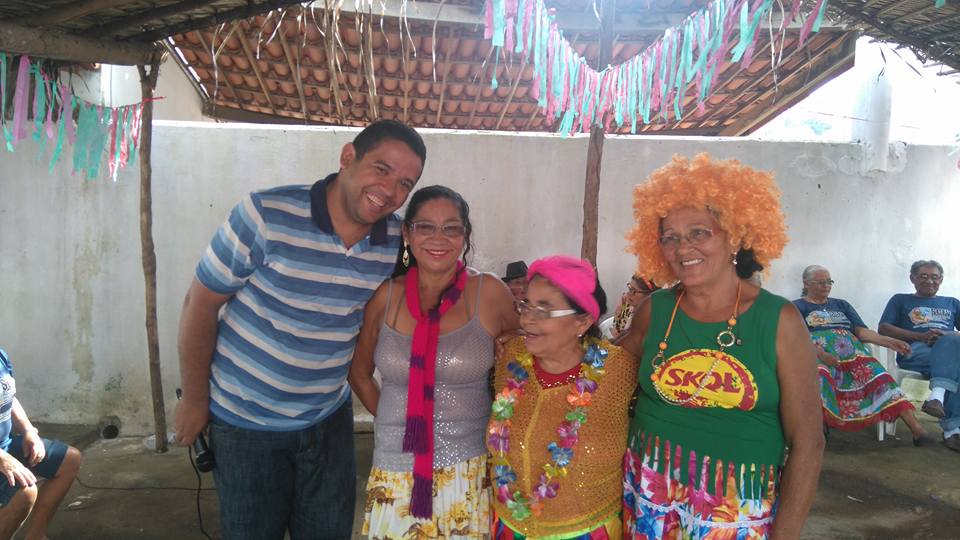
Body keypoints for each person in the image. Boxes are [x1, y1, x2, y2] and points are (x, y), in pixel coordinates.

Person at [173, 120, 426, 539]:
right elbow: (200, 305)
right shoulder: (266, 215)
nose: (389, 190)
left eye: (405, 183)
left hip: (328, 421)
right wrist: (195, 400)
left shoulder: (394, 242)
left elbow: (431, 287)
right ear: (348, 157)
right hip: (245, 423)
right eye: (381, 169)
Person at [619, 154, 824, 539]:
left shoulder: (779, 320)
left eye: (699, 232)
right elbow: (605, 368)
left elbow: (808, 443)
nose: (683, 248)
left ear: (735, 235)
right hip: (648, 495)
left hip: (735, 508)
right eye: (670, 237)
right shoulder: (656, 310)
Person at [349, 186, 518, 537]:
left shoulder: (489, 293)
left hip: (468, 471)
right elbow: (359, 374)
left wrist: (514, 343)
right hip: (394, 474)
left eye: (451, 228)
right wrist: (402, 422)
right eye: (425, 226)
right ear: (407, 233)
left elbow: (525, 363)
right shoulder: (386, 297)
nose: (438, 238)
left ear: (464, 236)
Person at [488, 255, 636, 538]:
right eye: (526, 305)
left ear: (583, 322)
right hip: (510, 527)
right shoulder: (511, 356)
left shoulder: (619, 371)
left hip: (586, 531)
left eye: (544, 310)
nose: (527, 318)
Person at [793, 265, 926, 443]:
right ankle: (817, 429)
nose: (826, 286)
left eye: (829, 282)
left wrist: (889, 341)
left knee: (881, 378)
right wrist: (821, 354)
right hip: (818, 356)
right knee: (819, 375)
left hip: (855, 356)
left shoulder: (841, 305)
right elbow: (797, 337)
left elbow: (861, 331)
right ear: (806, 283)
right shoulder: (797, 307)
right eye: (820, 282)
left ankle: (917, 429)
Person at [878, 260, 960, 452]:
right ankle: (952, 430)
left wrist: (945, 335)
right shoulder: (900, 300)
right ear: (912, 278)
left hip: (946, 351)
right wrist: (921, 336)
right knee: (954, 362)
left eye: (935, 277)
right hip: (916, 350)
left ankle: (937, 398)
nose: (929, 281)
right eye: (923, 276)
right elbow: (884, 327)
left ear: (941, 280)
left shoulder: (952, 303)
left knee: (950, 344)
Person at [0, 348, 81, 540]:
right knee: (25, 491)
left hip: (5, 445)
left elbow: (9, 397)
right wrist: (3, 458)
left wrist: (28, 430)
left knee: (70, 460)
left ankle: (36, 536)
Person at [607, 275, 657, 339]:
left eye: (634, 291)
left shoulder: (653, 320)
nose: (628, 294)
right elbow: (617, 329)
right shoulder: (626, 304)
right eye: (629, 288)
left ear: (648, 296)